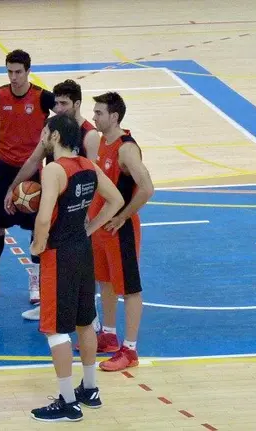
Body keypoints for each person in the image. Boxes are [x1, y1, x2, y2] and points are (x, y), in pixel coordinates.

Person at [28, 115, 124, 422]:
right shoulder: (88, 165)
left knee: (55, 329)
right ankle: (90, 389)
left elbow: (44, 217)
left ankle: (68, 402)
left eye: (45, 132)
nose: (42, 137)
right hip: (83, 251)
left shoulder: (54, 169)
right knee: (85, 322)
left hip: (58, 254)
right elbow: (116, 199)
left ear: (56, 136)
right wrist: (90, 229)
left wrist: (37, 245)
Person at [2, 79, 100, 321]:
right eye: (56, 103)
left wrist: (89, 211)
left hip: (76, 204)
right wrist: (12, 188)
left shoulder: (89, 134)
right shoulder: (53, 129)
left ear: (77, 103)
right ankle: (47, 302)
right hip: (53, 199)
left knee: (79, 259)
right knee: (46, 253)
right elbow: (33, 160)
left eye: (64, 103)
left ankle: (90, 314)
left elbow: (94, 177)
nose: (58, 108)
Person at [0, 49, 56, 305]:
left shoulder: (42, 97)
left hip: (32, 171)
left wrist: (49, 149)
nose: (14, 77)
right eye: (10, 71)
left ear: (28, 71)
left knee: (36, 226)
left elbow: (65, 119)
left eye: (18, 72)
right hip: (4, 168)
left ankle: (36, 280)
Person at [88, 92, 154, 371]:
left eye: (99, 113)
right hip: (101, 228)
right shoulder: (102, 141)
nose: (94, 117)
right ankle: (109, 334)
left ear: (114, 116)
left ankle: (130, 350)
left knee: (129, 289)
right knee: (105, 282)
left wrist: (123, 216)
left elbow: (147, 188)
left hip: (120, 230)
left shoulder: (126, 149)